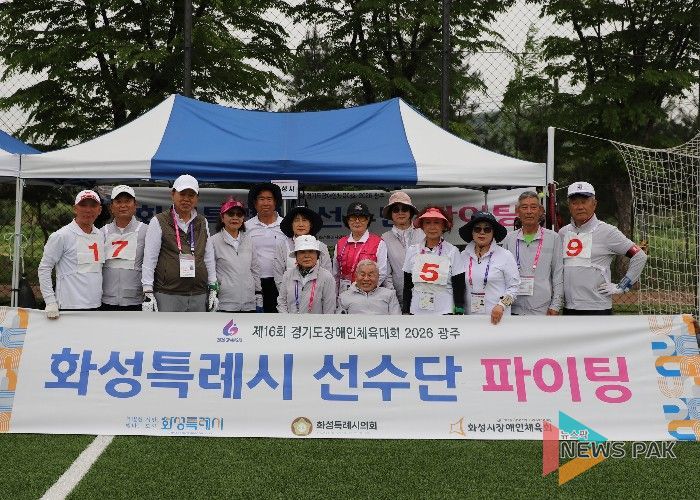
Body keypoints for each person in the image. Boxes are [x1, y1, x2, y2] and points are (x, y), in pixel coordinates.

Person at [559, 181, 648, 315]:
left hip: (597, 309)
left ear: (594, 204)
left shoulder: (608, 232)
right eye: (574, 202)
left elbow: (639, 256)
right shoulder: (563, 233)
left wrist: (623, 286)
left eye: (584, 202)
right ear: (569, 206)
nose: (580, 207)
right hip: (568, 308)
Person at [141, 174, 218, 312]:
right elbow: (150, 258)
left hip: (199, 293)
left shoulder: (202, 222)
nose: (186, 199)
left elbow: (208, 257)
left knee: (198, 327)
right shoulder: (158, 221)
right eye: (182, 194)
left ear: (197, 198)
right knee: (168, 327)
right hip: (167, 293)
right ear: (173, 194)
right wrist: (147, 291)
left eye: (191, 195)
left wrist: (213, 286)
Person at [38, 189, 105, 318]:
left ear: (99, 210)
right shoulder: (61, 236)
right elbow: (44, 268)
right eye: (83, 205)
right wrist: (50, 301)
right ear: (75, 208)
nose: (88, 210)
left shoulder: (100, 235)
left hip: (96, 305)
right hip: (69, 306)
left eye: (93, 205)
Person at [502, 191, 563, 315]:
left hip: (542, 310)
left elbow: (558, 274)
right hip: (513, 309)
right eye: (524, 207)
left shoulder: (553, 238)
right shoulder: (509, 239)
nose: (529, 211)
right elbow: (502, 276)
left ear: (540, 211)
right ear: (517, 211)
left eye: (533, 207)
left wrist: (556, 305)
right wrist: (503, 304)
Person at [402, 206, 465, 315]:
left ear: (443, 226)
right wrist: (406, 310)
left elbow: (459, 285)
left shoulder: (452, 251)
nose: (432, 227)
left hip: (444, 312)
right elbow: (407, 285)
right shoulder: (412, 250)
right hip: (416, 312)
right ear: (422, 226)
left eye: (436, 222)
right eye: (427, 223)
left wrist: (459, 310)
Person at [459, 211, 519, 325]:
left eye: (487, 229)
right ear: (472, 232)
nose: (482, 232)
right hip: (469, 321)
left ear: (493, 233)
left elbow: (514, 288)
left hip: (497, 321)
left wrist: (502, 305)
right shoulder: (463, 256)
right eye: (477, 229)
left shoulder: (505, 255)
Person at [100, 185, 148, 311]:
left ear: (135, 205)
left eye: (127, 201)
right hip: (106, 299)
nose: (123, 205)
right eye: (118, 202)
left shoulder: (146, 231)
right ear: (111, 207)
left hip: (135, 300)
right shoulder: (102, 232)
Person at [210, 198, 262, 313]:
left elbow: (255, 270)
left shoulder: (249, 240)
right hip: (224, 304)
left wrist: (258, 296)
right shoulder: (213, 241)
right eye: (230, 214)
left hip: (249, 303)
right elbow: (210, 272)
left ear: (243, 219)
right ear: (222, 217)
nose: (235, 217)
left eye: (239, 214)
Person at [333, 201, 390, 296]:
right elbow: (335, 274)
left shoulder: (378, 242)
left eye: (362, 218)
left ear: (368, 220)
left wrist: (364, 290)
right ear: (347, 221)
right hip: (344, 295)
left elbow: (382, 273)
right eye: (353, 218)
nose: (357, 221)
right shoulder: (340, 243)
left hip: (369, 295)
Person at [245, 183, 285, 312]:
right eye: (261, 199)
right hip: (254, 282)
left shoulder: (285, 226)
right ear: (255, 203)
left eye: (269, 199)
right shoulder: (246, 227)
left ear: (275, 202)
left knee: (278, 318)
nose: (266, 203)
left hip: (280, 282)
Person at [381, 191, 424, 309]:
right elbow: (386, 274)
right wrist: (393, 299)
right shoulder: (384, 238)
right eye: (396, 210)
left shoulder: (424, 234)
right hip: (398, 300)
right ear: (391, 214)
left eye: (404, 209)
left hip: (426, 296)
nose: (400, 213)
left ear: (410, 212)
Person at [273, 205, 332, 289]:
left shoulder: (321, 246)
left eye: (304, 220)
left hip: (317, 294)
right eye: (296, 220)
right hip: (290, 295)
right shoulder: (282, 246)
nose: (301, 224)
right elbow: (278, 276)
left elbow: (328, 274)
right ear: (291, 225)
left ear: (311, 224)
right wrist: (287, 294)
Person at [277, 235, 336, 314]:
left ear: (317, 255)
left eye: (311, 251)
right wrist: (287, 320)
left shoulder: (326, 277)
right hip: (291, 321)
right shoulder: (288, 275)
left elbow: (329, 309)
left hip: (316, 322)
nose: (307, 256)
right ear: (296, 256)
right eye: (302, 252)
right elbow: (281, 303)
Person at [337, 260, 401, 315]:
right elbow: (339, 321)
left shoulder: (389, 294)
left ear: (378, 277)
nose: (366, 279)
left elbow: (397, 320)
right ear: (356, 276)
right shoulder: (344, 297)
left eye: (370, 275)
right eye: (362, 275)